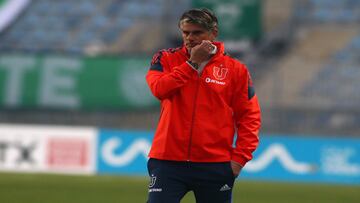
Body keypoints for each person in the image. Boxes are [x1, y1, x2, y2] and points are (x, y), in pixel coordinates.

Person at [145, 8, 261, 203]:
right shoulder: (165, 58)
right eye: (186, 32)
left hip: (215, 165)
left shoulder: (236, 69)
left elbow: (250, 117)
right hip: (167, 162)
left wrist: (239, 160)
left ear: (213, 33)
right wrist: (191, 64)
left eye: (197, 32)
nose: (190, 38)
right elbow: (159, 89)